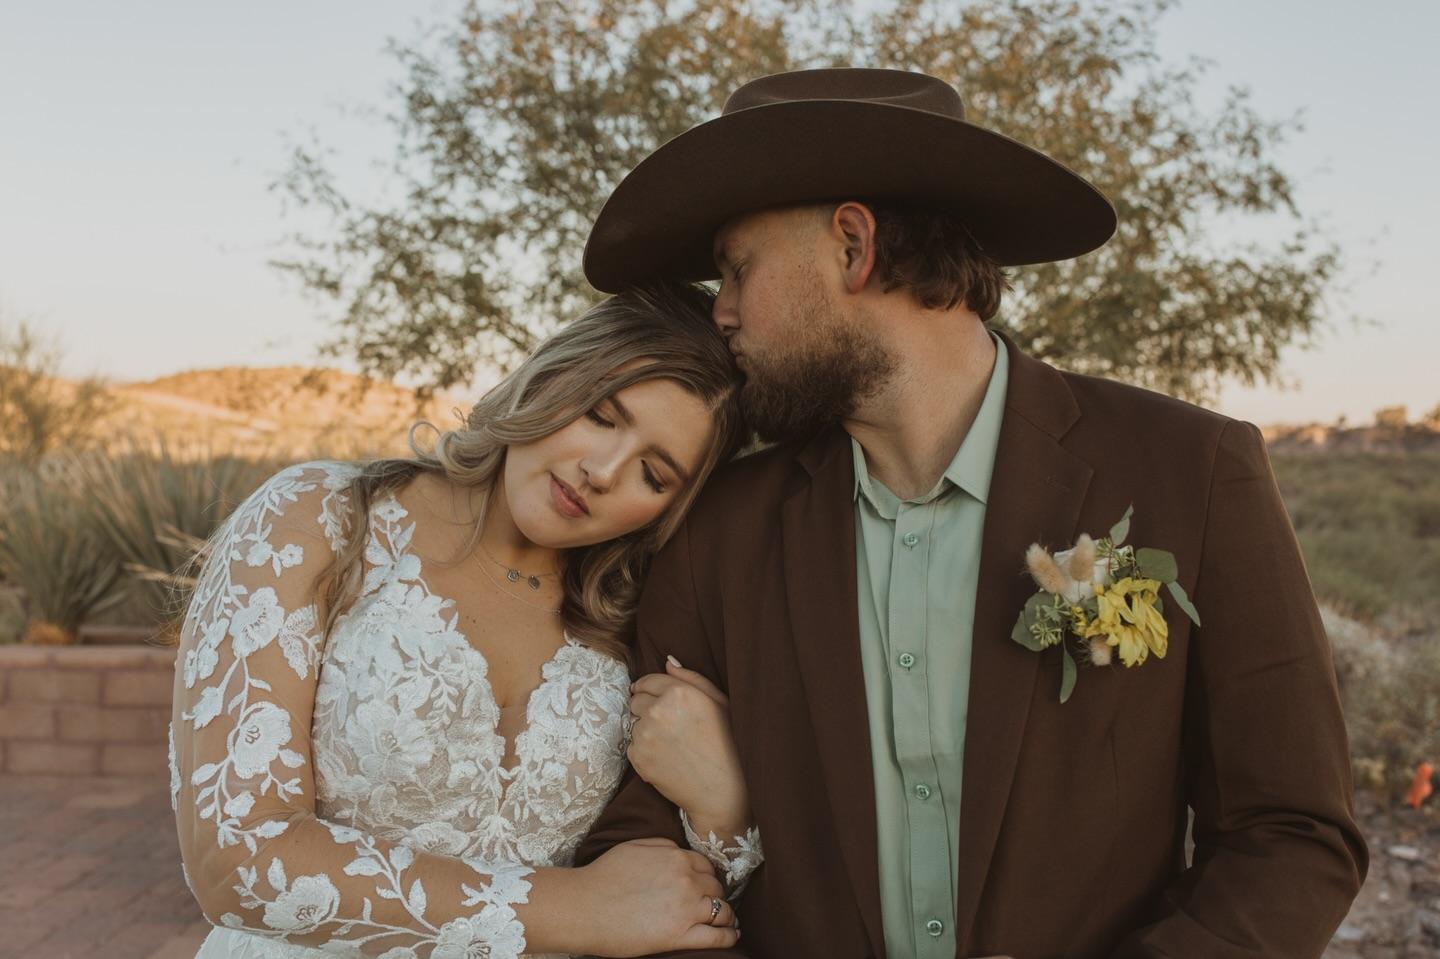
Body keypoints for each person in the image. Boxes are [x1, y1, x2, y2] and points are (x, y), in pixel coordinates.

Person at [578, 68, 1368, 958]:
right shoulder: (717, 530)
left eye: (736, 270)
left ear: (852, 247)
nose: (719, 311)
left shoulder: (1195, 471)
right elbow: (640, 843)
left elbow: (1292, 832)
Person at [169, 283, 761, 958]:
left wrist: (725, 806)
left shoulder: (636, 622)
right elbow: (235, 860)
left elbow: (676, 903)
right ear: (554, 375)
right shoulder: (319, 522)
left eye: (653, 475)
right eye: (601, 415)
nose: (602, 471)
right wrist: (574, 906)